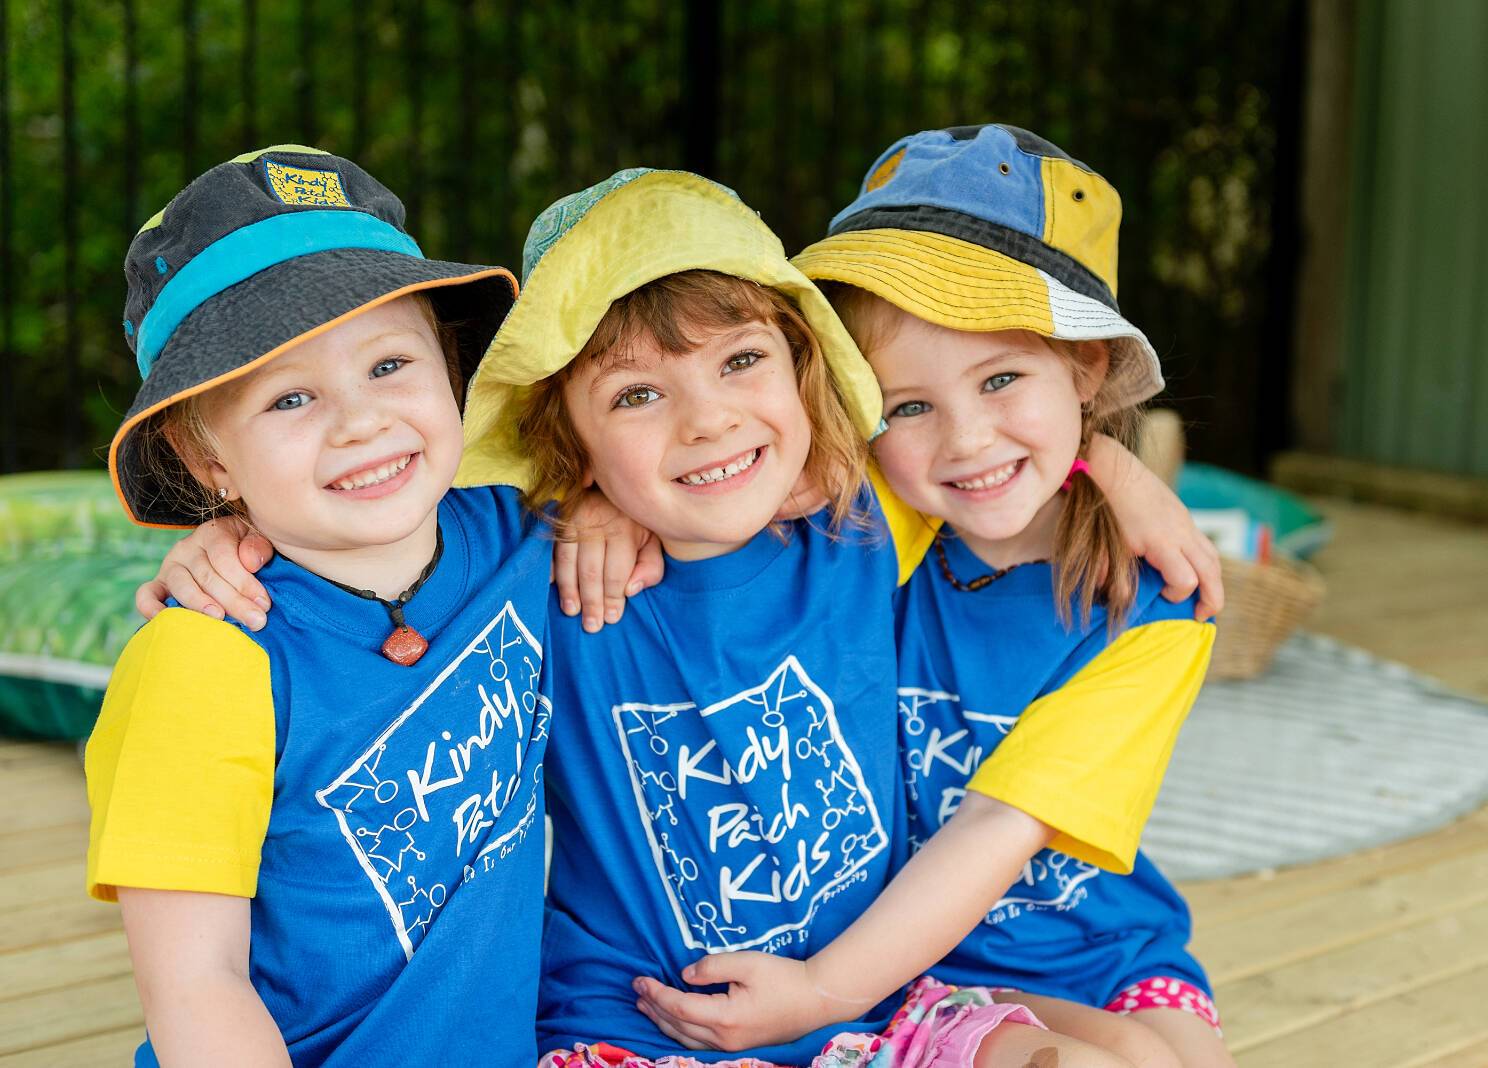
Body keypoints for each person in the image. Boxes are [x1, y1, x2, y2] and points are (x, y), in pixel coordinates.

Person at [137, 165, 1218, 1068]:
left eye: (741, 361)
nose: (706, 421)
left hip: (873, 1009)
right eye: (636, 396)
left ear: (801, 372)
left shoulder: (864, 521)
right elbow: (370, 541)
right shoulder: (536, 568)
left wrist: (1108, 462)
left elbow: (978, 450)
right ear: (571, 442)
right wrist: (228, 539)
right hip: (640, 1027)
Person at [636, 125, 1236, 1068]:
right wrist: (604, 509)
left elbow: (1002, 824)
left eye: (1002, 378)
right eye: (907, 406)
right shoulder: (878, 524)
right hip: (902, 965)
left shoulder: (1156, 608)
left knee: (1177, 1059)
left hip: (1100, 950)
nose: (965, 440)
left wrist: (1104, 462)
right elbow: (702, 491)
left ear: (1085, 368)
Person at [85, 146, 555, 1067]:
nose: (360, 421)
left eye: (390, 364)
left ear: (449, 367)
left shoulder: (526, 535)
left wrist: (610, 516)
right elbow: (196, 987)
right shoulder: (203, 662)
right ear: (207, 461)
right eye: (290, 396)